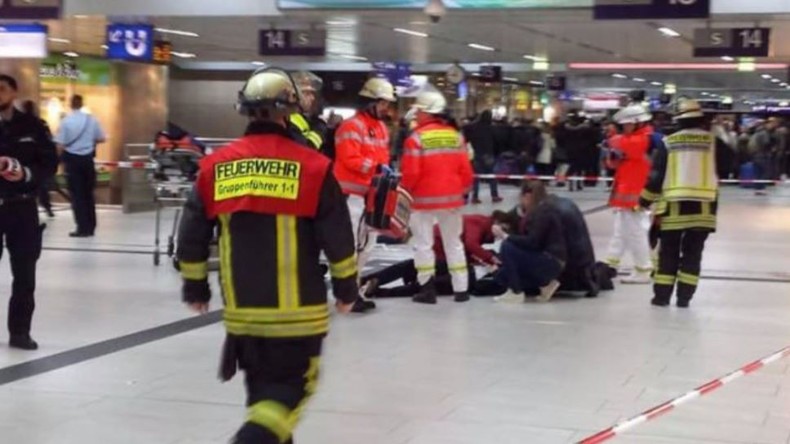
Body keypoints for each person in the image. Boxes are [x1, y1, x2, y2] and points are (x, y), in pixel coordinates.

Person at [176, 68, 358, 444]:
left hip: (243, 317)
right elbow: (337, 236)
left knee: (263, 398)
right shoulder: (312, 167)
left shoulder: (216, 166)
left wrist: (195, 287)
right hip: (297, 318)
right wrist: (347, 288)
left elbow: (192, 235)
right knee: (285, 401)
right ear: (289, 110)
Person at [640, 98, 718, 308]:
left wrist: (645, 199)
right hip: (705, 207)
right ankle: (685, 298)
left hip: (674, 207)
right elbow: (731, 163)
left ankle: (662, 297)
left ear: (679, 121)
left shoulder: (669, 142)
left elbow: (657, 175)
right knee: (693, 253)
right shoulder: (713, 142)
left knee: (669, 253)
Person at [400, 87, 475, 304]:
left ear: (427, 113)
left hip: (422, 202)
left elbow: (411, 173)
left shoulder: (415, 139)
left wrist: (405, 193)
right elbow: (466, 172)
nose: (416, 114)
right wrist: (459, 191)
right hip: (452, 201)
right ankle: (461, 290)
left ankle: (427, 289)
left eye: (419, 111)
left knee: (423, 243)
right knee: (454, 243)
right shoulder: (456, 137)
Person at [0, 74, 58, 350]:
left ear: (13, 92)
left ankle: (20, 331)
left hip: (22, 207)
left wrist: (25, 174)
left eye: (2, 89)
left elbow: (49, 164)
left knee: (24, 273)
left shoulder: (33, 126)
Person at [333, 77, 396, 313]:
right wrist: (376, 168)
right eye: (383, 103)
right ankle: (346, 294)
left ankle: (353, 292)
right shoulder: (351, 126)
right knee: (352, 246)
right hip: (352, 196)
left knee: (367, 245)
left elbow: (383, 158)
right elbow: (350, 159)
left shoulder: (380, 128)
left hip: (372, 196)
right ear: (370, 102)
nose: (386, 108)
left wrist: (383, 173)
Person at [362, 212, 506, 298]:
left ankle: (370, 284)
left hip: (456, 264)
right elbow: (470, 244)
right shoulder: (481, 224)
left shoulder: (480, 225)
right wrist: (490, 259)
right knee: (420, 276)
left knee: (417, 273)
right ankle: (375, 288)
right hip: (444, 253)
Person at [603, 104, 655, 284]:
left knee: (635, 232)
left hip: (636, 194)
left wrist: (611, 139)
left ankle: (643, 269)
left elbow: (624, 145)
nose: (623, 128)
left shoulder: (645, 138)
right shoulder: (632, 138)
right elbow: (613, 164)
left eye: (626, 125)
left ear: (637, 122)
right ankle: (610, 264)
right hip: (626, 192)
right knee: (621, 230)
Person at [492, 180, 566, 303]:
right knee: (502, 276)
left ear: (527, 196)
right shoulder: (544, 208)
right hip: (553, 260)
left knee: (507, 247)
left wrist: (505, 236)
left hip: (551, 260)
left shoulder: (542, 213)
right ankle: (545, 284)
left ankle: (516, 292)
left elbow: (532, 242)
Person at [54, 95, 106, 237]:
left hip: (72, 161)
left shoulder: (66, 121)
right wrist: (88, 141)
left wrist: (56, 162)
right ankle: (91, 226)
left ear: (70, 105)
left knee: (77, 196)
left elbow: (60, 144)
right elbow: (102, 138)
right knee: (88, 194)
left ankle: (82, 227)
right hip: (88, 160)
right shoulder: (92, 119)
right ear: (82, 104)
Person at [22, 100, 67, 218]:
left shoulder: (18, 124)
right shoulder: (40, 123)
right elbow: (49, 140)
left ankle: (27, 207)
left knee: (25, 184)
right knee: (42, 185)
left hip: (25, 159)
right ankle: (47, 207)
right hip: (38, 159)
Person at [467, 110, 502, 204]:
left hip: (476, 153)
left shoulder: (473, 127)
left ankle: (475, 197)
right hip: (488, 154)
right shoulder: (492, 128)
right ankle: (494, 195)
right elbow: (497, 141)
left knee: (476, 177)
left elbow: (467, 136)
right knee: (491, 176)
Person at [289, 71, 325, 151]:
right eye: (307, 93)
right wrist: (320, 129)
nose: (312, 98)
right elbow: (306, 151)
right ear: (294, 95)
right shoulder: (288, 121)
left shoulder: (300, 118)